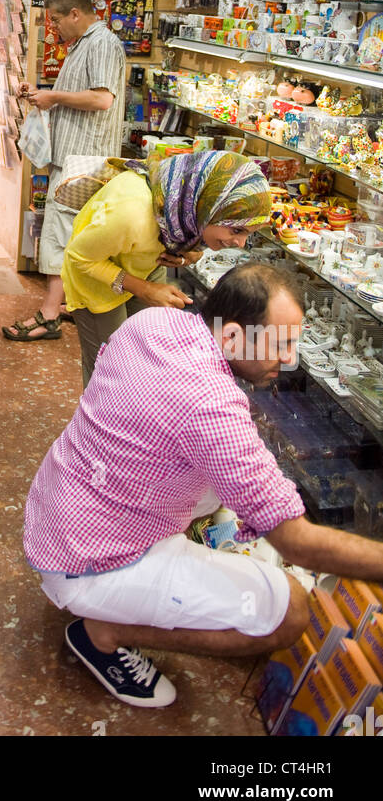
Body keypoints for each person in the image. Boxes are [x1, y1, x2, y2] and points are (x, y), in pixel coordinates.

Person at [24, 263, 383, 709]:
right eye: (280, 344)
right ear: (231, 336)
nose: (288, 360)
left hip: (54, 511)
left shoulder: (154, 321)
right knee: (289, 610)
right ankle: (104, 632)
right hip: (89, 562)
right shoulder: (210, 407)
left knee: (222, 491)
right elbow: (299, 545)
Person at [64, 149, 272, 387]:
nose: (240, 243)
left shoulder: (184, 200)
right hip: (95, 280)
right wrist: (145, 289)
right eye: (236, 230)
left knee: (141, 359)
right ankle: (101, 422)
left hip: (143, 265)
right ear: (210, 207)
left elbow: (183, 238)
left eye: (248, 234)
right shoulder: (133, 214)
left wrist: (186, 255)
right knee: (110, 369)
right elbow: (80, 257)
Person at [3, 0, 125, 343]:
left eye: (57, 19)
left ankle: (49, 315)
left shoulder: (102, 43)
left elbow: (102, 99)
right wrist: (45, 94)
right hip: (76, 156)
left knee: (60, 236)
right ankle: (71, 302)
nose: (54, 27)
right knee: (72, 236)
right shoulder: (83, 45)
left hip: (83, 161)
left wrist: (53, 96)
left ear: (75, 13)